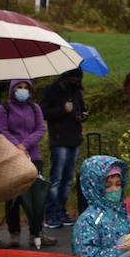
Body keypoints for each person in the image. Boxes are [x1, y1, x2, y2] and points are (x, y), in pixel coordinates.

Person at [0, 78, 54, 249]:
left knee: (36, 197)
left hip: (33, 156)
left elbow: (40, 129)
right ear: (12, 90)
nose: (22, 91)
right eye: (19, 87)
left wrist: (25, 144)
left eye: (25, 88)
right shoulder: (4, 108)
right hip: (12, 158)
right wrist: (17, 146)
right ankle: (14, 233)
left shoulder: (34, 108)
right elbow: (2, 130)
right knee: (13, 197)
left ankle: (37, 232)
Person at [40, 68, 87, 227]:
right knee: (56, 179)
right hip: (59, 140)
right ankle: (50, 214)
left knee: (68, 180)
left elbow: (81, 108)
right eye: (74, 79)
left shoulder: (76, 92)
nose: (76, 82)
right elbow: (43, 112)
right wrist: (63, 110)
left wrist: (81, 116)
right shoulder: (51, 91)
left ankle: (62, 211)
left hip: (74, 138)